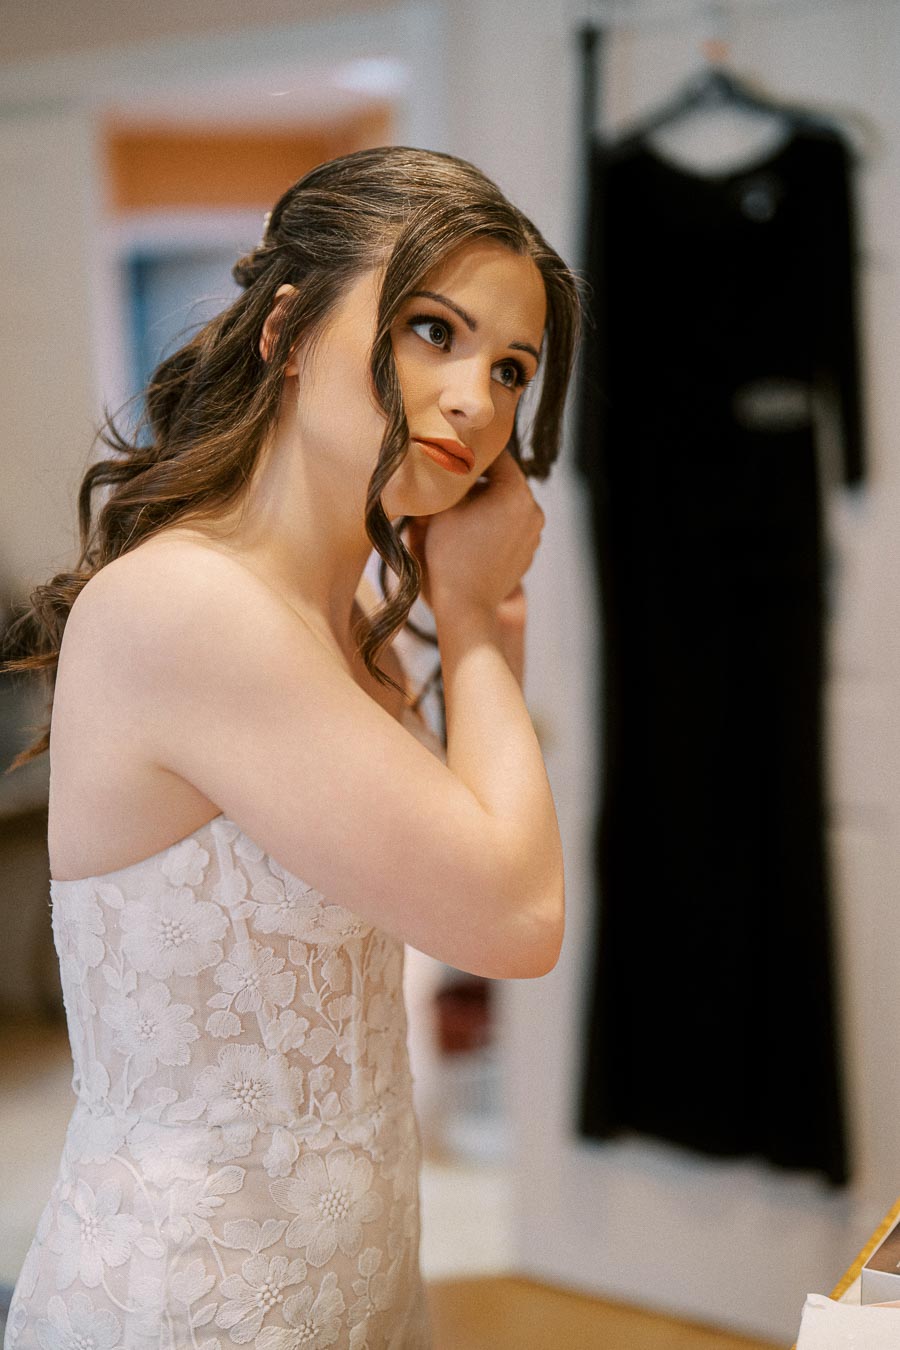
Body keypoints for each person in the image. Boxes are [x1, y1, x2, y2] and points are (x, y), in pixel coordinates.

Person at [0, 144, 584, 1349]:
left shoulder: (352, 626)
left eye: (512, 367)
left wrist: (474, 631)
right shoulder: (190, 611)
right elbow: (514, 919)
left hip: (352, 1274)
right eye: (435, 330)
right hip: (185, 1305)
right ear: (285, 333)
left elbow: (453, 871)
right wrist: (471, 621)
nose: (480, 400)